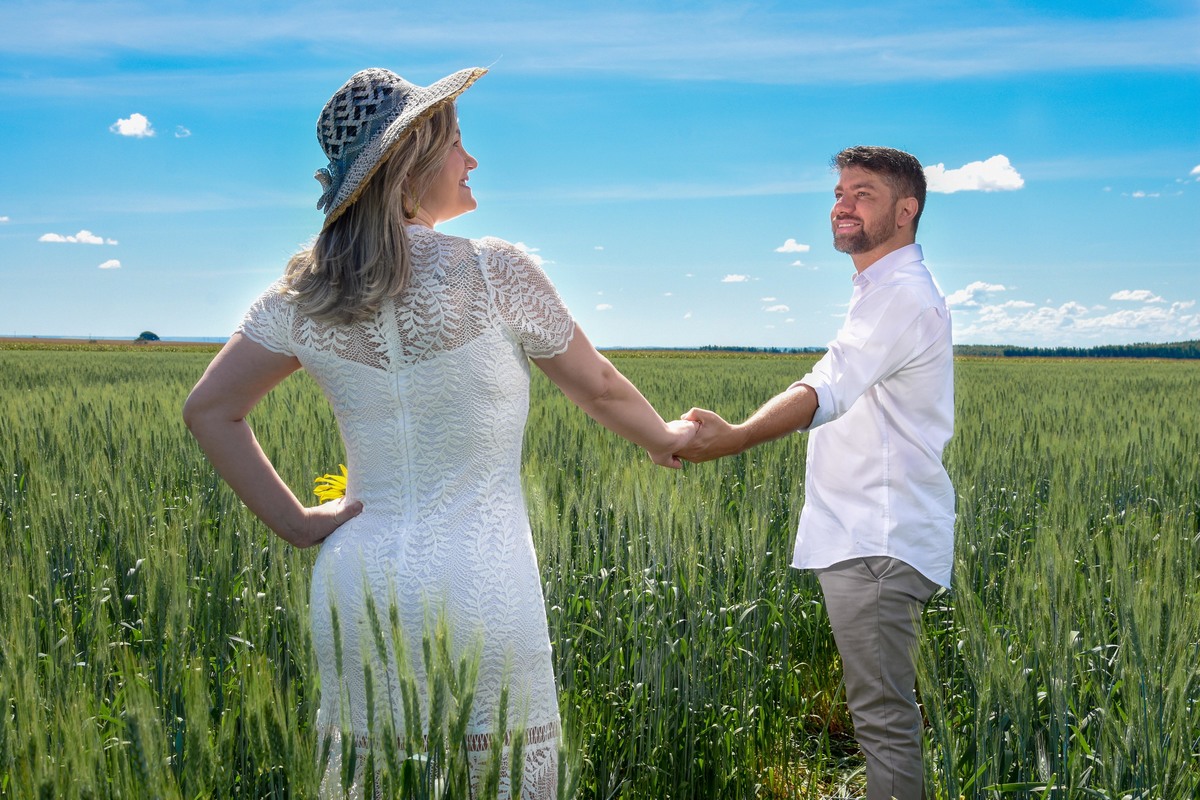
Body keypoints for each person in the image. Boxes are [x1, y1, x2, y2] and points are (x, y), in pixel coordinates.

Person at [183, 66, 695, 799]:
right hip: (483, 582)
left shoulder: (304, 295)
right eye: (457, 143)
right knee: (502, 778)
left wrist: (297, 524)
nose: (471, 160)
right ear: (412, 164)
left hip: (357, 581)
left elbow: (209, 410)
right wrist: (663, 436)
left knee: (374, 778)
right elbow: (599, 384)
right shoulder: (494, 270)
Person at [677, 146, 953, 800]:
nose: (842, 205)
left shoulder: (900, 298)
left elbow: (827, 385)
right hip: (868, 538)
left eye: (863, 194)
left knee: (883, 721)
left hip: (875, 540)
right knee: (881, 715)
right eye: (839, 192)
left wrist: (738, 436)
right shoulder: (882, 294)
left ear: (905, 211)